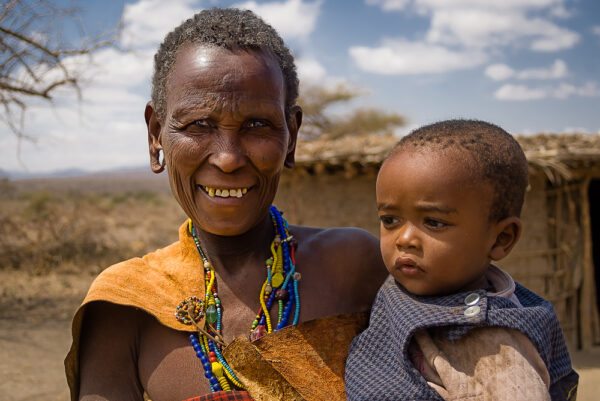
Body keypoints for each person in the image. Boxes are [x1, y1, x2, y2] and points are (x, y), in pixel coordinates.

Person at [64, 8, 387, 401]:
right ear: (155, 136)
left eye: (257, 125)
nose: (228, 158)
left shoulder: (354, 265)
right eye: (198, 124)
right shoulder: (126, 302)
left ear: (292, 136)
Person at [345, 120, 579, 401]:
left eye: (433, 222)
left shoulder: (497, 350)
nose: (404, 239)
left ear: (501, 238)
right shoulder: (397, 291)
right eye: (390, 220)